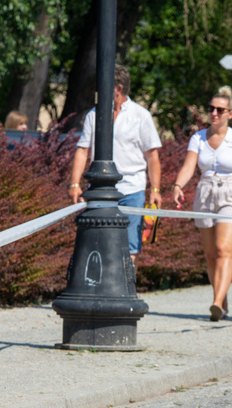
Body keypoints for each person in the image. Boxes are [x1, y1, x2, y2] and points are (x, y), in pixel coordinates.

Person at [171, 86, 232, 321]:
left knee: (223, 250)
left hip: (230, 193)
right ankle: (222, 301)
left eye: (220, 109)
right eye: (211, 109)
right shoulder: (198, 138)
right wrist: (178, 186)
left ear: (230, 113)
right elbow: (189, 166)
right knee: (210, 254)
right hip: (205, 191)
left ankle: (216, 302)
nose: (214, 113)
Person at [69, 64, 162, 267]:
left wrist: (155, 190)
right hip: (100, 190)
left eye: (103, 86)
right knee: (99, 242)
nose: (98, 90)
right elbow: (83, 150)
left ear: (117, 89)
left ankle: (126, 290)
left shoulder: (141, 115)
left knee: (130, 244)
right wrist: (74, 184)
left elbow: (152, 156)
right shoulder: (94, 115)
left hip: (132, 188)